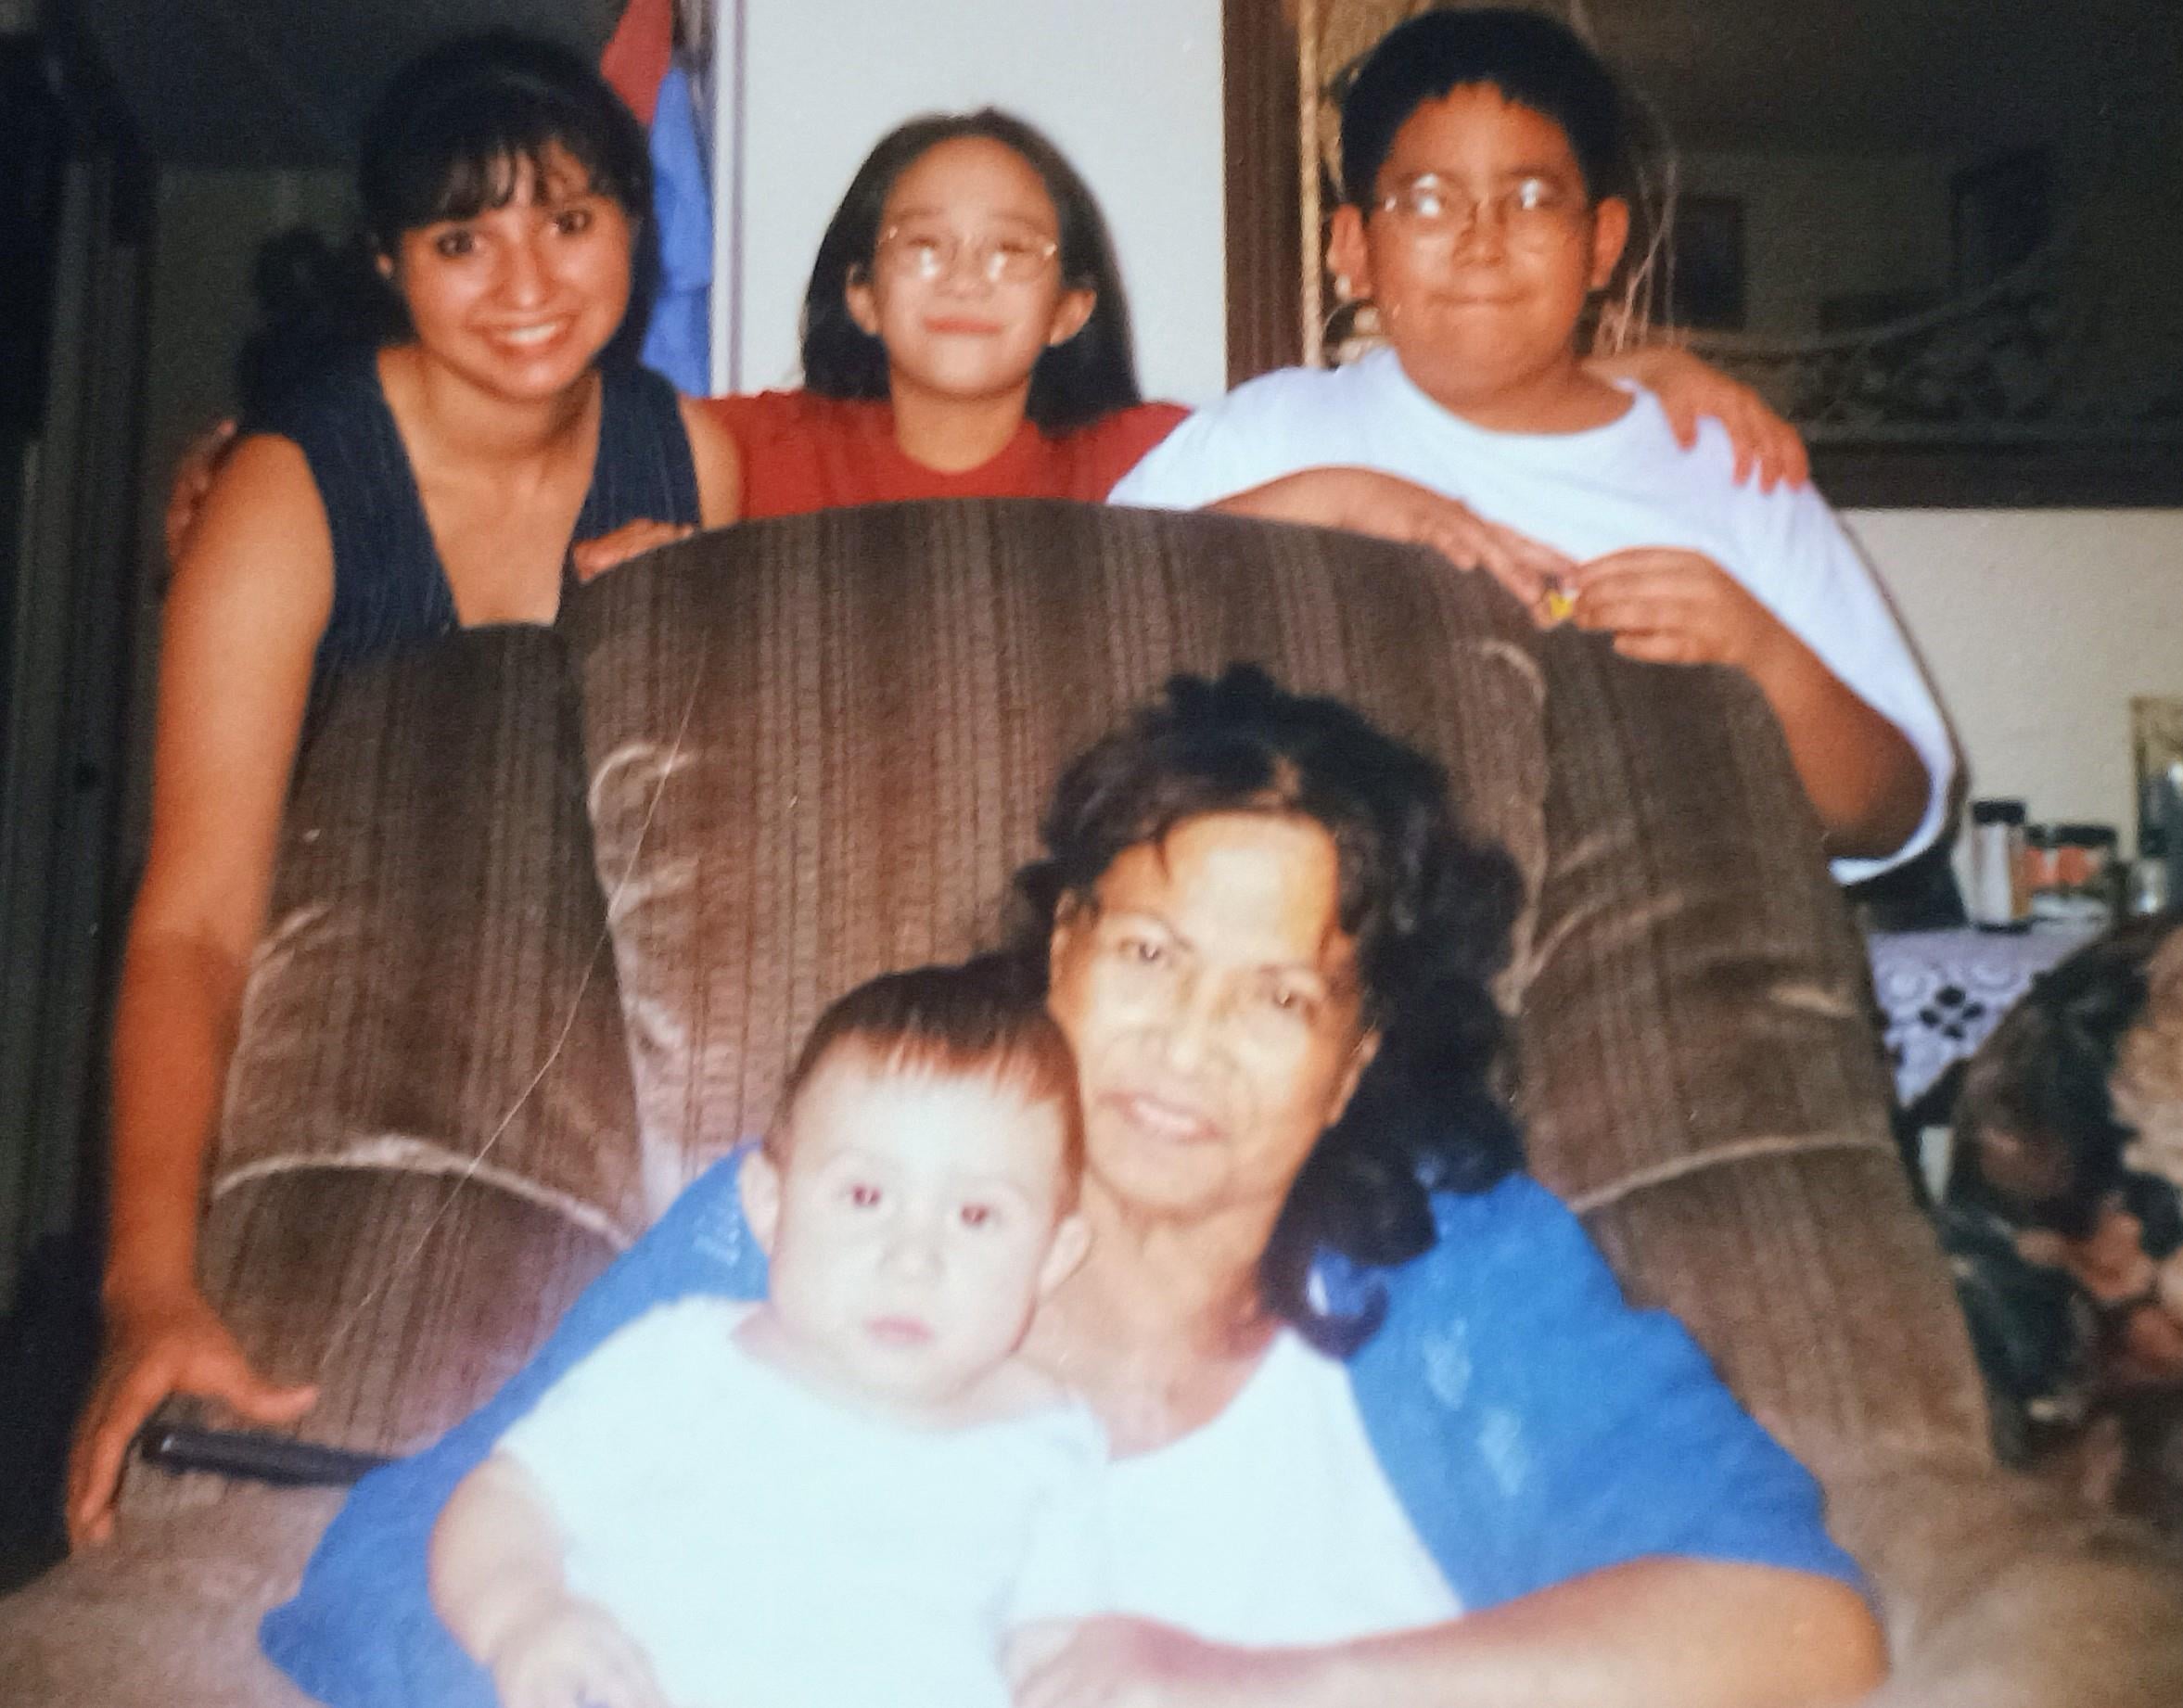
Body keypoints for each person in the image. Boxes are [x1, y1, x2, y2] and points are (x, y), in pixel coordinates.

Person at [262, 666, 1887, 1708]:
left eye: (1277, 996)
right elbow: (389, 1558)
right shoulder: (838, 1212)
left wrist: (1245, 1687)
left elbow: (1790, 1623)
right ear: (1060, 953)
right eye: (1151, 952)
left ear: (1354, 1054)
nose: (1187, 1041)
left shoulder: (1458, 1268)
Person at [64, 30, 744, 1549]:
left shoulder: (688, 457)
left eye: (568, 221)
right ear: (391, 259)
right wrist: (148, 1289)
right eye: (461, 237)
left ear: (633, 228)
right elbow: (190, 923)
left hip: (584, 1040)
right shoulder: (284, 489)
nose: (525, 283)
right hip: (316, 1040)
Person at [1110, 8, 1954, 882]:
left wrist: (1761, 652)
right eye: (1429, 201)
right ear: (1353, 249)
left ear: (1604, 245)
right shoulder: (1272, 433)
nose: (1482, 243)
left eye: (1532, 199)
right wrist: (1325, 499)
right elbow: (1086, 606)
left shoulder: (1724, 465)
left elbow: (1892, 817)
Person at [563, 108, 1811, 574]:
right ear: (861, 293)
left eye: (1012, 249)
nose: (964, 279)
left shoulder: (1155, 452)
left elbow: (1414, 402)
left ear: (1071, 308)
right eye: (921, 246)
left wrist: (1634, 368)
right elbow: (550, 417)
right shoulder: (745, 443)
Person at [430, 959, 1104, 1708]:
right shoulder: (682, 1364)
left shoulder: (1053, 1441)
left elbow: (1058, 1647)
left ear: (1054, 1256)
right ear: (769, 1205)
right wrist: (526, 1618)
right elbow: (506, 1497)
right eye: (865, 1195)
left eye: (976, 1216)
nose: (912, 1259)